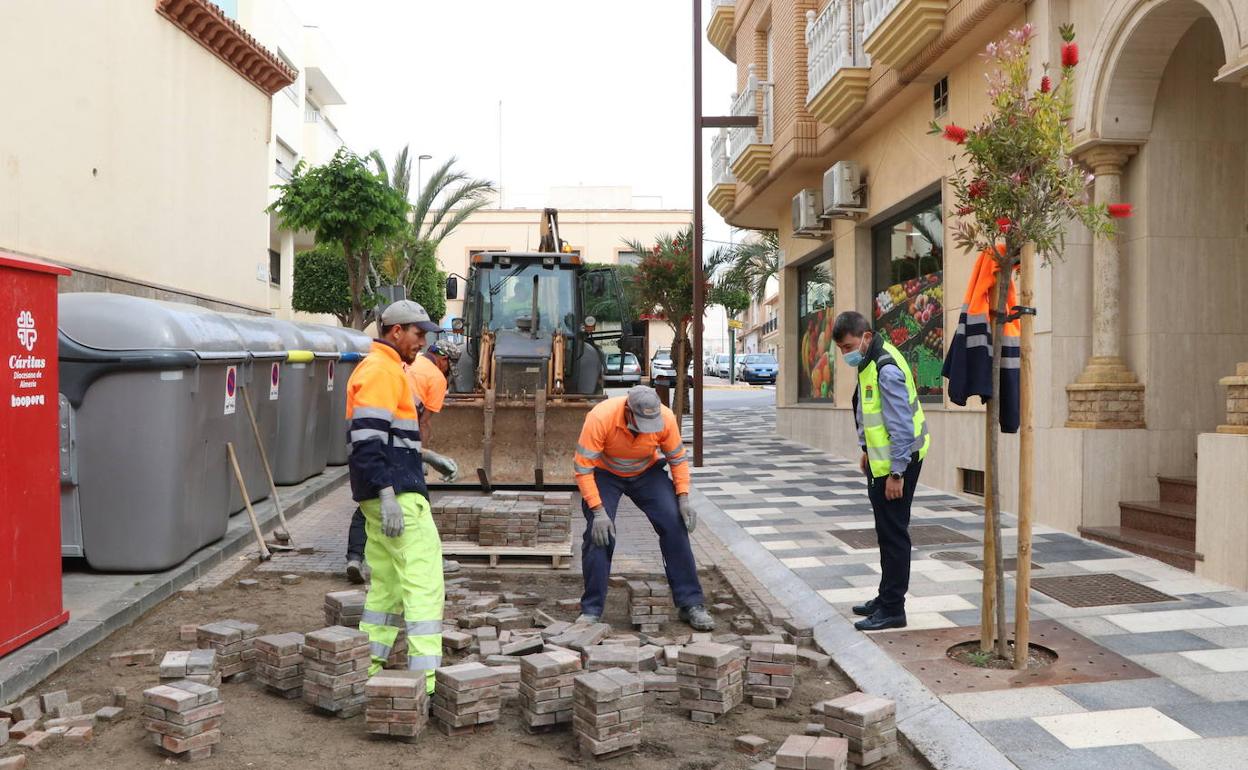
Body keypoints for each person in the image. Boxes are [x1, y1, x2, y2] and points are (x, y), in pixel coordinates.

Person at [345, 300, 444, 691]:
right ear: (396, 331)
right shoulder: (382, 370)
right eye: (419, 333)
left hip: (384, 490)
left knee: (386, 583)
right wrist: (389, 495)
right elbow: (366, 440)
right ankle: (427, 679)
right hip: (397, 495)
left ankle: (369, 661)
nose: (423, 342)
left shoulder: (384, 369)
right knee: (423, 581)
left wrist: (424, 454)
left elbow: (384, 436)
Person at [572, 385, 714, 632]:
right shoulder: (600, 417)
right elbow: (583, 468)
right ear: (628, 410)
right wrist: (598, 511)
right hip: (605, 475)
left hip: (646, 473)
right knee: (601, 534)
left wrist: (683, 498)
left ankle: (691, 603)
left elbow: (677, 460)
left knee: (674, 523)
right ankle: (591, 610)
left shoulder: (666, 417)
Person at [832, 311, 930, 632]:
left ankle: (893, 609)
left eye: (848, 346)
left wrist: (897, 474)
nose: (846, 353)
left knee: (894, 536)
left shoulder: (885, 369)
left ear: (866, 336)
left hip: (898, 464)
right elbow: (867, 411)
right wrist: (865, 450)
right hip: (883, 461)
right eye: (842, 349)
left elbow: (901, 426)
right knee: (886, 533)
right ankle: (885, 597)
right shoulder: (870, 361)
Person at [345, 339, 462, 583]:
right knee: (413, 509)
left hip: (379, 443)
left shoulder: (404, 364)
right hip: (398, 449)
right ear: (444, 360)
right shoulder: (435, 378)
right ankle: (429, 559)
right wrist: (421, 456)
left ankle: (355, 558)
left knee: (368, 505)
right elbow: (423, 422)